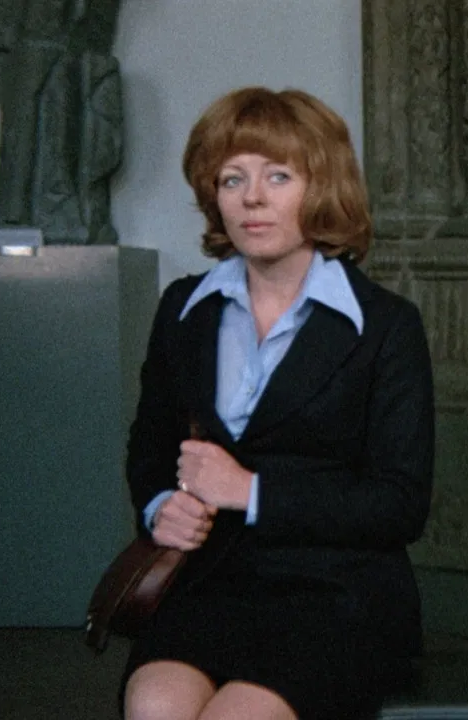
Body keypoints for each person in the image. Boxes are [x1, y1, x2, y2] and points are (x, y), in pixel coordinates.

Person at [120, 87, 435, 720]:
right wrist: (160, 508)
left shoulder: (385, 326)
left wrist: (250, 491)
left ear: (323, 187)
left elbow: (399, 504)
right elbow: (149, 447)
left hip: (336, 593)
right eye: (232, 178)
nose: (252, 198)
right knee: (154, 706)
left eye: (278, 176)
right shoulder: (184, 308)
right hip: (210, 583)